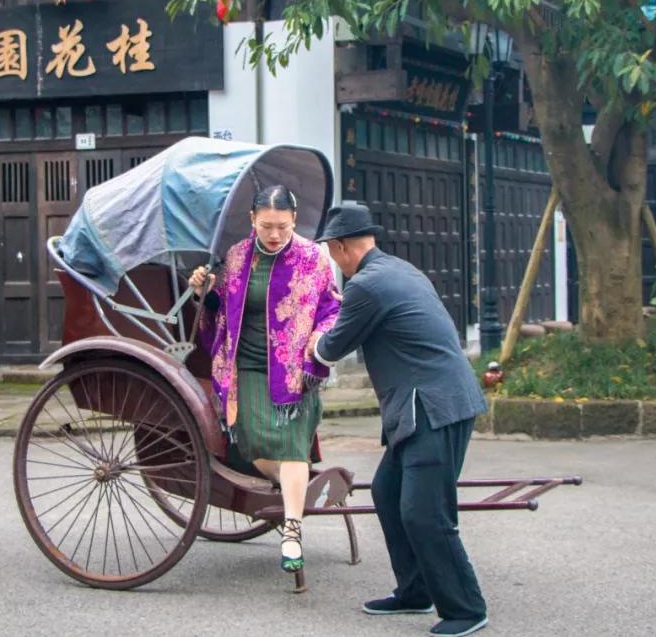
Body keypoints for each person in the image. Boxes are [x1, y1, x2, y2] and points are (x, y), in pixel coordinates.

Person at [308, 202, 489, 637]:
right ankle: (415, 591)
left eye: (331, 252)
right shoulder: (397, 270)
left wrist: (314, 338)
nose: (332, 260)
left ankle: (466, 608)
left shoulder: (367, 286)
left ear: (340, 246)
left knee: (424, 512)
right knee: (389, 494)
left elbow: (330, 350)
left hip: (432, 406)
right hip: (430, 402)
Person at [189, 185, 340, 574]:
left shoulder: (313, 257)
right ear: (252, 220)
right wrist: (204, 291)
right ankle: (298, 486)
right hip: (248, 365)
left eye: (283, 227)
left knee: (291, 445)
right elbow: (220, 310)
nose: (274, 235)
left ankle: (292, 530)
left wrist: (321, 335)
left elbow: (332, 306)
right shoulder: (237, 256)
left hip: (295, 371)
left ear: (294, 221)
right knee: (255, 441)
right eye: (267, 226)